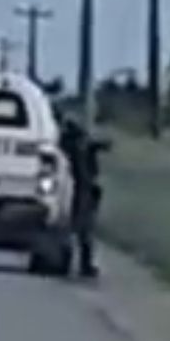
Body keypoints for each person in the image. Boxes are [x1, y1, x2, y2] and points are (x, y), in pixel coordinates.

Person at [60, 118, 101, 279]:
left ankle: (74, 262)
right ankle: (82, 264)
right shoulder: (77, 149)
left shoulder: (71, 148)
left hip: (78, 188)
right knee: (83, 229)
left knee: (78, 229)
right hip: (81, 189)